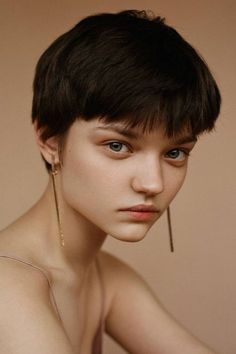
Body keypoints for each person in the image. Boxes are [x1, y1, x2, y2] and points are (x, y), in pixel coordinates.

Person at [0, 9, 221, 354]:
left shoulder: (105, 276)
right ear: (50, 140)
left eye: (175, 153)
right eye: (118, 146)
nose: (154, 183)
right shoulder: (8, 286)